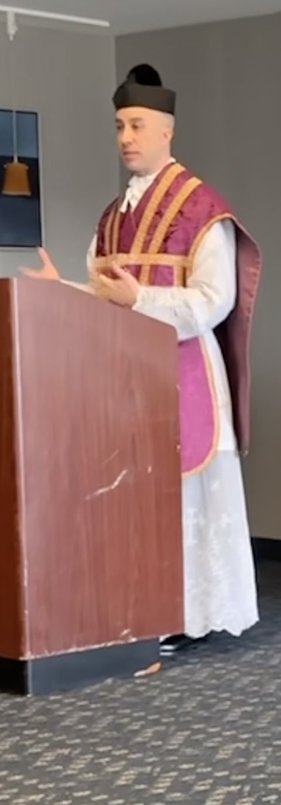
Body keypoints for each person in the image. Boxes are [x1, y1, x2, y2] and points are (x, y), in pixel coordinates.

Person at [22, 64, 263, 654]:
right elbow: (106, 297)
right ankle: (137, 608)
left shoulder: (203, 209)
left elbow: (215, 300)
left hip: (184, 372)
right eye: (119, 126)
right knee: (131, 490)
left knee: (183, 498)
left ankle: (188, 613)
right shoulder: (112, 217)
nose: (126, 136)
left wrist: (142, 298)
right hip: (124, 376)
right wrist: (62, 291)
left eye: (136, 124)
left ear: (166, 131)